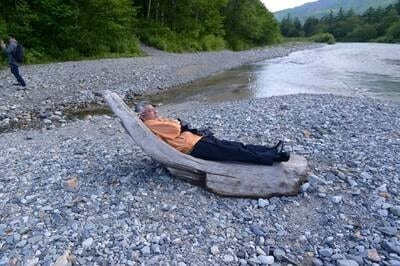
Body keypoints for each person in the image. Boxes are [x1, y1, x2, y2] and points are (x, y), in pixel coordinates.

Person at [135, 102, 290, 166]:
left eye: (153, 108)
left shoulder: (155, 121)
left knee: (236, 146)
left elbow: (177, 124)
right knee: (235, 152)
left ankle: (270, 150)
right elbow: (176, 127)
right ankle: (273, 157)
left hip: (196, 141)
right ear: (142, 115)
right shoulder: (151, 123)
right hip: (194, 146)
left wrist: (176, 122)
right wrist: (176, 122)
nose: (154, 111)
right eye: (150, 110)